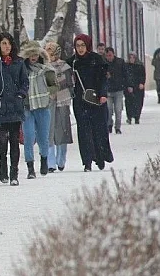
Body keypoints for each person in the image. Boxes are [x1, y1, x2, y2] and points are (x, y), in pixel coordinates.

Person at [0, 32, 29, 186]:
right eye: (3, 43)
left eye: (8, 43)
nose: (6, 46)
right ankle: (3, 169)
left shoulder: (19, 63)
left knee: (14, 141)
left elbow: (25, 82)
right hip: (0, 107)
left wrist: (21, 95)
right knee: (3, 141)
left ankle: (14, 173)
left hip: (15, 106)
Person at [66, 34, 114, 172]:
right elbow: (59, 69)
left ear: (87, 45)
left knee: (99, 130)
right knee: (84, 131)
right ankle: (87, 161)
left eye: (82, 45)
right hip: (80, 101)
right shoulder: (73, 61)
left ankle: (100, 157)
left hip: (97, 100)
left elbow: (103, 79)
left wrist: (103, 94)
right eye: (77, 45)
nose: (80, 49)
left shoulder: (96, 59)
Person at [19, 41, 56, 177]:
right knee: (28, 137)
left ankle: (44, 160)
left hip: (43, 107)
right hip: (27, 107)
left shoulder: (47, 69)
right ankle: (30, 168)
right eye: (30, 54)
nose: (33, 57)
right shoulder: (22, 69)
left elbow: (54, 86)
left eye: (35, 54)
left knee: (43, 137)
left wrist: (50, 95)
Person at [44, 41, 74, 172]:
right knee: (49, 130)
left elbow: (70, 83)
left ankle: (61, 159)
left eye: (51, 50)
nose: (49, 53)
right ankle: (50, 163)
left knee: (62, 129)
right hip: (48, 101)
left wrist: (59, 87)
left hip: (62, 100)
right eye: (47, 50)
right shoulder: (43, 67)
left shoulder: (65, 66)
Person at [105, 47, 127, 134]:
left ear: (113, 54)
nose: (109, 57)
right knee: (108, 110)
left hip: (118, 90)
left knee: (118, 110)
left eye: (110, 55)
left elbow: (124, 74)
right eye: (107, 56)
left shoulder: (120, 62)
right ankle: (109, 124)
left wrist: (125, 85)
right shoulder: (103, 63)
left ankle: (118, 127)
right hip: (108, 90)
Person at [124, 52, 146, 124]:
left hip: (138, 86)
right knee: (129, 102)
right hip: (129, 86)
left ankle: (137, 117)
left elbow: (143, 75)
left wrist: (142, 83)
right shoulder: (126, 66)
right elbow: (125, 76)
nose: (132, 59)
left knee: (138, 102)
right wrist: (128, 85)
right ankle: (129, 117)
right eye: (130, 57)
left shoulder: (140, 66)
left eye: (133, 57)